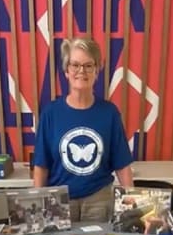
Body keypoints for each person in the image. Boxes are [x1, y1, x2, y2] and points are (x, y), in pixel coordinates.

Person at [32, 37, 134, 222]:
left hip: (99, 201)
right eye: (75, 65)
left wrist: (133, 203)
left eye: (88, 65)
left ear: (97, 70)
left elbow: (122, 164)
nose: (81, 71)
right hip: (58, 201)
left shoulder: (109, 113)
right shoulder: (50, 113)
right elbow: (41, 165)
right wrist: (39, 205)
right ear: (66, 70)